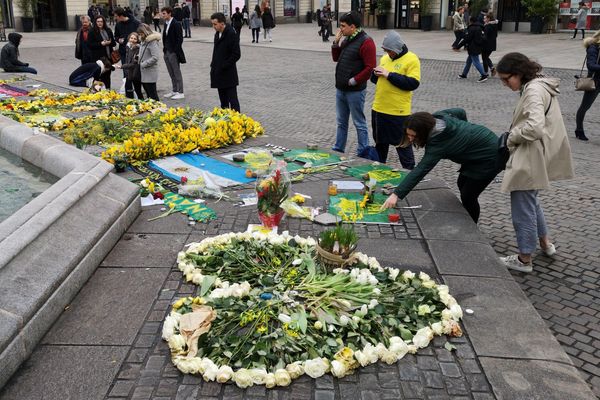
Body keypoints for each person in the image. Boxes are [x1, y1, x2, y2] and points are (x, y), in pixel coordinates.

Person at [495, 52, 574, 272]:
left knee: (523, 206)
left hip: (530, 155)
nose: (504, 84)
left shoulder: (532, 91)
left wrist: (512, 136)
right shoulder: (540, 85)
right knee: (531, 201)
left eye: (505, 78)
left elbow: (534, 127)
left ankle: (524, 259)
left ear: (518, 73)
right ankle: (545, 244)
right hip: (541, 152)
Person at [381, 109, 499, 223]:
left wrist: (396, 195)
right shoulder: (437, 117)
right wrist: (466, 138)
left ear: (424, 132)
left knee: (468, 195)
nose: (410, 139)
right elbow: (460, 111)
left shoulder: (437, 145)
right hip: (478, 151)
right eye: (408, 135)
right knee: (461, 183)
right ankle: (467, 216)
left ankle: (472, 226)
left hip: (490, 157)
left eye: (414, 136)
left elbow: (420, 170)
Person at [370, 31, 419, 168]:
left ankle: (409, 176)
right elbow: (376, 81)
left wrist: (389, 75)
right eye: (386, 51)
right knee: (380, 146)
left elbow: (412, 83)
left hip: (398, 113)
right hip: (379, 109)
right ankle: (378, 173)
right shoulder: (385, 59)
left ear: (397, 49)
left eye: (390, 51)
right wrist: (374, 74)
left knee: (403, 147)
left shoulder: (411, 59)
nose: (388, 53)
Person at [331, 11, 376, 156]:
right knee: (341, 122)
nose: (340, 29)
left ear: (353, 26)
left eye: (343, 26)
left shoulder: (366, 42)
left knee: (359, 123)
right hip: (341, 89)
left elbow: (370, 68)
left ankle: (363, 151)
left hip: (355, 91)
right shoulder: (347, 39)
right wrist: (335, 43)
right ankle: (339, 149)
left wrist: (354, 80)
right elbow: (336, 58)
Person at [210, 12, 241, 111]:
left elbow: (236, 54)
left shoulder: (231, 33)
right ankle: (225, 123)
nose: (213, 26)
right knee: (223, 102)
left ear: (222, 23)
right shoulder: (217, 34)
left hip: (228, 73)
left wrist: (225, 65)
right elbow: (216, 52)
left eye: (215, 24)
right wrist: (213, 65)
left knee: (233, 101)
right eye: (213, 24)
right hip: (218, 72)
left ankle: (237, 122)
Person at [575, 31, 600, 141]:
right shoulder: (593, 48)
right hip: (595, 81)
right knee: (585, 106)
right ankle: (579, 130)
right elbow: (591, 65)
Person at [162, 6, 186, 99]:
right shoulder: (166, 23)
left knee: (176, 72)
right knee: (171, 72)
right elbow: (165, 37)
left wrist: (175, 51)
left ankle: (181, 92)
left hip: (173, 52)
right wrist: (165, 50)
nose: (162, 15)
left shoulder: (176, 24)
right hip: (166, 51)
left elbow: (180, 39)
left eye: (164, 13)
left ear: (169, 13)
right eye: (162, 13)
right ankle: (174, 90)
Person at [456, 16, 488, 82]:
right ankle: (464, 74)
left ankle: (483, 75)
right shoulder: (481, 27)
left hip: (473, 47)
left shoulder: (472, 28)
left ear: (471, 21)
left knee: (476, 62)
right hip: (478, 47)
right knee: (468, 62)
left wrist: (458, 46)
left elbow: (467, 39)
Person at [87, 15, 115, 88]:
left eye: (101, 21)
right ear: (95, 22)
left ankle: (108, 91)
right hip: (98, 58)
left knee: (107, 76)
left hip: (108, 57)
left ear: (104, 22)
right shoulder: (92, 31)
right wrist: (101, 44)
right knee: (98, 76)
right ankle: (97, 93)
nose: (100, 23)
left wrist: (109, 43)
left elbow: (113, 43)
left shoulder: (108, 30)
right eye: (98, 21)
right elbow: (90, 45)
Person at [115, 32, 144, 99]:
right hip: (130, 72)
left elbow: (134, 64)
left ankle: (142, 103)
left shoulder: (137, 49)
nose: (132, 40)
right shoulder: (128, 46)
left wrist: (122, 66)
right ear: (129, 38)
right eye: (131, 38)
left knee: (138, 90)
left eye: (135, 39)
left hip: (136, 73)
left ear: (137, 40)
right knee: (129, 89)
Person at [137, 24, 161, 101]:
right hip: (143, 71)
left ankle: (158, 108)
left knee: (153, 94)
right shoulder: (143, 40)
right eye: (139, 34)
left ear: (146, 32)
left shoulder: (152, 42)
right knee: (148, 93)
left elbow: (155, 57)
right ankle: (152, 108)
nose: (140, 36)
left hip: (150, 71)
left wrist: (144, 64)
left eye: (141, 34)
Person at [482, 12, 498, 76]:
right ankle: (492, 68)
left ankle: (485, 72)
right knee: (486, 57)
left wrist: (481, 35)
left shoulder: (487, 26)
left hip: (486, 45)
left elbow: (485, 37)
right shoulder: (494, 25)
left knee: (484, 58)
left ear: (488, 19)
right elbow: (496, 35)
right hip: (492, 44)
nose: (484, 20)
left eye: (485, 18)